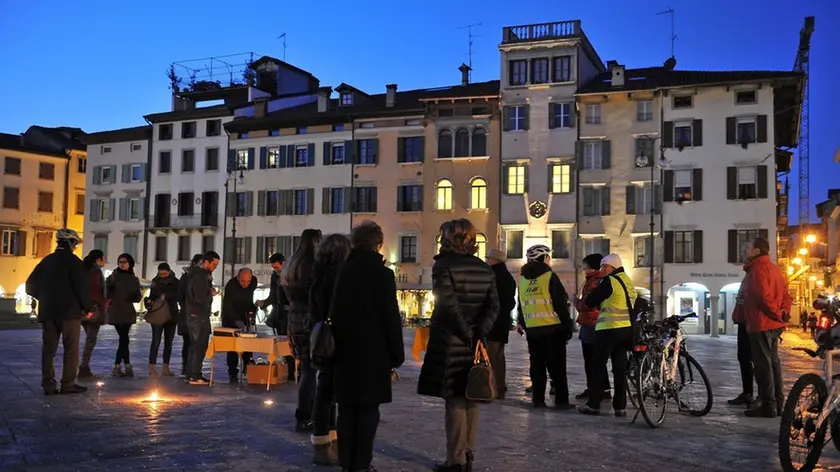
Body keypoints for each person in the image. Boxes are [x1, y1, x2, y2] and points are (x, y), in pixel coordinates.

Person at [418, 219, 500, 472]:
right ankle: (467, 454)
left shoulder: (443, 265)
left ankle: (455, 460)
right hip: (475, 342)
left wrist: (466, 332)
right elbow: (493, 306)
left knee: (454, 399)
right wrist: (478, 333)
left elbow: (447, 305)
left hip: (451, 340)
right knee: (472, 396)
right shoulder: (485, 268)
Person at [331, 221, 404, 472]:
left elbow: (335, 311)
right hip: (374, 351)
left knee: (347, 410)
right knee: (368, 410)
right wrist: (396, 353)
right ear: (378, 244)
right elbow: (390, 316)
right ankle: (361, 463)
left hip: (344, 349)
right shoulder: (383, 275)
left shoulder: (344, 270)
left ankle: (346, 463)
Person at [25, 228, 93, 395]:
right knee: (71, 349)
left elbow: (30, 286)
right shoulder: (74, 262)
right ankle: (68, 384)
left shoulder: (46, 261)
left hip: (48, 313)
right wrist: (88, 308)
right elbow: (81, 288)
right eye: (75, 243)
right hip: (70, 313)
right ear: (71, 243)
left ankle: (48, 384)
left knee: (48, 350)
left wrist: (46, 299)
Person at [308, 234, 352, 466]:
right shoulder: (341, 274)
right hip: (338, 337)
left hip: (321, 335)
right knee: (329, 393)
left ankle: (324, 442)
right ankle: (327, 444)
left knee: (324, 390)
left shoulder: (319, 273)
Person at [514, 244, 574, 410]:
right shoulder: (549, 277)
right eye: (548, 257)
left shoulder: (523, 280)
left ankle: (538, 400)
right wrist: (567, 325)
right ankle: (561, 401)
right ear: (544, 258)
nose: (550, 260)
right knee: (557, 367)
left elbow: (521, 304)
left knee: (537, 365)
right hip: (553, 328)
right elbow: (560, 304)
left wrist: (522, 323)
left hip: (533, 330)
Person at [578, 253, 635, 417]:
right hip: (625, 330)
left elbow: (591, 301)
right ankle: (620, 407)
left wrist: (588, 298)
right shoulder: (628, 281)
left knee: (597, 366)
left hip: (608, 328)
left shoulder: (610, 281)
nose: (602, 270)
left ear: (612, 267)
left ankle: (593, 404)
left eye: (604, 267)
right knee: (619, 369)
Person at [740, 237, 791, 418]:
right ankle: (778, 403)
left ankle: (768, 405)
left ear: (757, 251)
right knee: (774, 363)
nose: (745, 251)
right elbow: (786, 295)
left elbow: (762, 298)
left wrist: (775, 314)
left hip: (761, 322)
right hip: (774, 323)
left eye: (748, 247)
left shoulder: (758, 270)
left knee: (763, 364)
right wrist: (783, 313)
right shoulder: (775, 270)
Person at [282, 229, 323, 431]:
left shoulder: (292, 265)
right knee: (312, 371)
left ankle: (302, 414)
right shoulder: (314, 266)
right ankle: (307, 414)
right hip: (310, 321)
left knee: (305, 370)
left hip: (294, 321)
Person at [573, 253, 611, 402]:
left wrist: (576, 303)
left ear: (592, 267)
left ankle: (593, 389)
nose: (583, 270)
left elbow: (589, 304)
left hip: (591, 324)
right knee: (598, 360)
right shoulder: (600, 280)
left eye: (585, 267)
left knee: (591, 360)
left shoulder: (594, 282)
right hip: (597, 323)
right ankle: (605, 389)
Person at [256, 252, 294, 381]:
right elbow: (273, 295)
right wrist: (264, 303)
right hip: (280, 314)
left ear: (283, 263)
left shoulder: (292, 273)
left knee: (291, 342)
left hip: (291, 313)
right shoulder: (274, 276)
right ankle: (288, 369)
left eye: (277, 267)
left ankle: (293, 370)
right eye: (274, 268)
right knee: (282, 342)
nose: (275, 270)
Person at [483, 248, 516, 400]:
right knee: (499, 355)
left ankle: (492, 388)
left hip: (491, 322)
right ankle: (500, 386)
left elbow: (486, 300)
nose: (487, 261)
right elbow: (511, 303)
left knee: (490, 356)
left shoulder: (491, 276)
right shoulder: (509, 278)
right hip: (502, 322)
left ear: (494, 260)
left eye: (488, 259)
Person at [185, 251, 221, 385]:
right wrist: (210, 293)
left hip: (194, 314)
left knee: (195, 346)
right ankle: (195, 375)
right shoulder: (201, 276)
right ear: (206, 262)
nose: (215, 267)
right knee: (199, 346)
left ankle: (191, 374)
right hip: (198, 315)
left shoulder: (196, 274)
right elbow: (199, 297)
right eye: (214, 264)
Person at [105, 253, 142, 378]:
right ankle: (124, 365)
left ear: (130, 263)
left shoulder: (134, 279)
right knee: (124, 339)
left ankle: (122, 365)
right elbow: (105, 292)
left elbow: (138, 297)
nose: (122, 263)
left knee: (124, 339)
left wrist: (134, 296)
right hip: (116, 311)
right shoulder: (113, 277)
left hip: (127, 311)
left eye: (124, 261)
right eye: (120, 261)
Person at [221, 268, 258, 382]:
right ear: (237, 278)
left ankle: (247, 367)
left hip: (246, 316)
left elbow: (250, 299)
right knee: (233, 347)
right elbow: (228, 306)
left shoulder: (253, 282)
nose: (245, 284)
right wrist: (236, 320)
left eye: (248, 281)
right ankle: (232, 372)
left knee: (248, 345)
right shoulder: (231, 286)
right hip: (231, 319)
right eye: (242, 281)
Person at [147, 263, 180, 377]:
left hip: (171, 314)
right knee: (155, 341)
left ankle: (165, 367)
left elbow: (178, 296)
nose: (163, 275)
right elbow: (152, 295)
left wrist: (166, 296)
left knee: (168, 342)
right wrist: (150, 301)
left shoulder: (176, 281)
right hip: (158, 314)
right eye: (161, 273)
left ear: (169, 271)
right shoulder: (155, 281)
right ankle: (152, 368)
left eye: (165, 273)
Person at [79, 249, 107, 380]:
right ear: (98, 260)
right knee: (90, 341)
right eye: (103, 258)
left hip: (82, 310)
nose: (105, 261)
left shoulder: (84, 270)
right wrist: (102, 303)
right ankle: (84, 368)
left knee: (88, 339)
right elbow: (95, 292)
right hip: (93, 310)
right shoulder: (95, 272)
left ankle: (83, 367)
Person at [727, 283, 755, 407]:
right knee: (744, 358)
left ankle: (765, 398)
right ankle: (748, 393)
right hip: (745, 321)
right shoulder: (750, 273)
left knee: (757, 361)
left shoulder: (758, 272)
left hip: (752, 322)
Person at [177, 254, 204, 377]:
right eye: (200, 263)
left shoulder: (202, 277)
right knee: (188, 342)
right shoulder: (186, 277)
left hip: (195, 314)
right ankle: (187, 368)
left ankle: (191, 369)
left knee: (194, 343)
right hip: (187, 314)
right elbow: (180, 296)